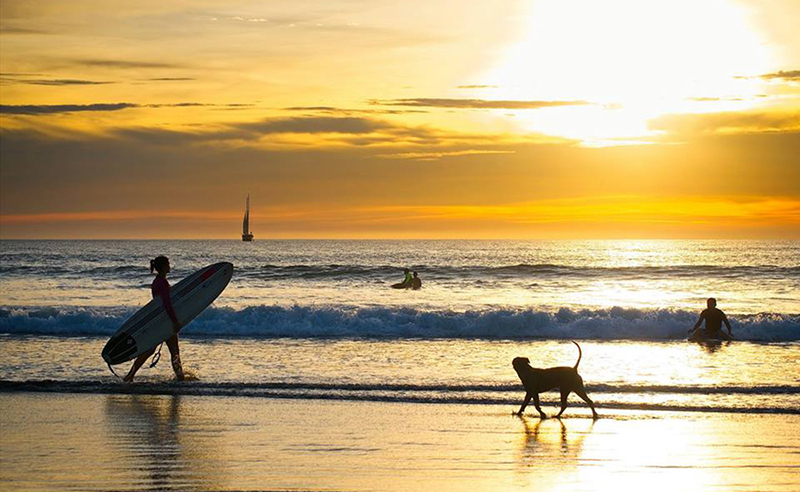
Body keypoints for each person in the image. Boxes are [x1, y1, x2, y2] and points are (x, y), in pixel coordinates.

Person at [123, 256, 185, 382]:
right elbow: (167, 304)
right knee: (174, 351)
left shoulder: (157, 281)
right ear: (163, 267)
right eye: (168, 264)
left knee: (150, 349)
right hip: (166, 321)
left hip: (159, 320)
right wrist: (174, 322)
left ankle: (130, 375)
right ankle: (180, 377)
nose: (169, 266)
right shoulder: (162, 282)